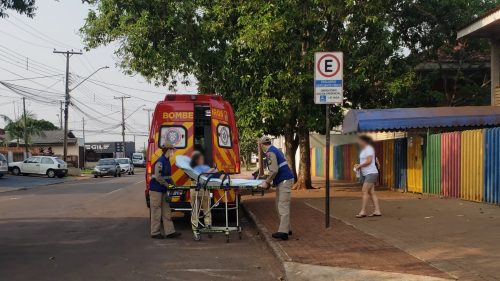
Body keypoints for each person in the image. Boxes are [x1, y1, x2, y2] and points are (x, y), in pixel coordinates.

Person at [259, 136, 294, 241]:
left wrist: (267, 182)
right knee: (279, 204)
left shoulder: (270, 152)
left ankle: (283, 232)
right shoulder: (276, 150)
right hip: (283, 181)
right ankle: (287, 228)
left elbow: (274, 170)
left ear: (261, 145)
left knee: (282, 206)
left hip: (284, 181)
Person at [149, 143, 181, 239]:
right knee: (156, 211)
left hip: (162, 189)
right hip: (156, 190)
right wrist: (168, 185)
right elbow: (158, 177)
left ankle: (170, 232)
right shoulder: (160, 161)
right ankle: (155, 232)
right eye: (172, 150)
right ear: (168, 150)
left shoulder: (167, 161)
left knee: (166, 210)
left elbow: (168, 177)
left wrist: (174, 185)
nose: (173, 152)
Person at [354, 135, 382, 218]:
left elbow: (369, 161)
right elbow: (366, 161)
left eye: (360, 141)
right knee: (371, 192)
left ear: (364, 141)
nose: (358, 142)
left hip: (371, 173)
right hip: (367, 173)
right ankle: (377, 211)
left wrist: (359, 166)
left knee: (364, 191)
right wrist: (359, 165)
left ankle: (363, 211)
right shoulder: (364, 150)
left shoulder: (369, 148)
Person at [189, 151, 214, 230]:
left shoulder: (199, 167)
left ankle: (207, 225)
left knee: (204, 209)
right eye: (201, 158)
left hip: (199, 188)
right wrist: (211, 170)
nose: (202, 159)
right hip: (198, 188)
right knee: (198, 210)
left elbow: (214, 176)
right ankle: (198, 226)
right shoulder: (195, 168)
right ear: (197, 160)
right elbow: (201, 176)